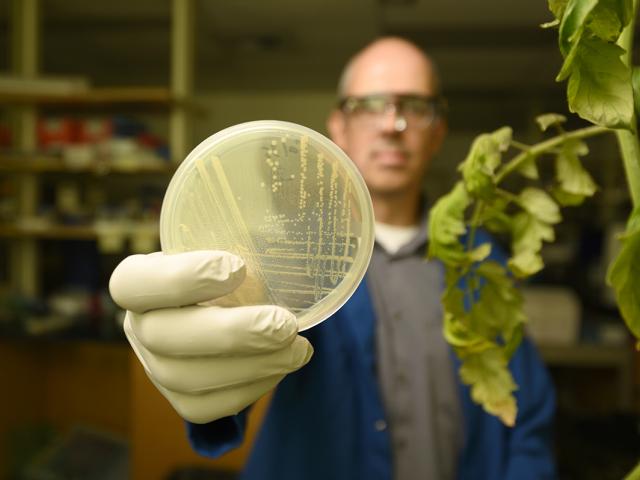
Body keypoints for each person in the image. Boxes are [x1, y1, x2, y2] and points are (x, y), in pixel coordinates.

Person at [110, 37, 556, 480]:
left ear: (437, 130)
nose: (393, 124)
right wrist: (194, 357)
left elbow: (528, 416)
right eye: (370, 105)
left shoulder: (481, 262)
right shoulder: (286, 258)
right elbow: (234, 355)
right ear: (338, 128)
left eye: (414, 106)